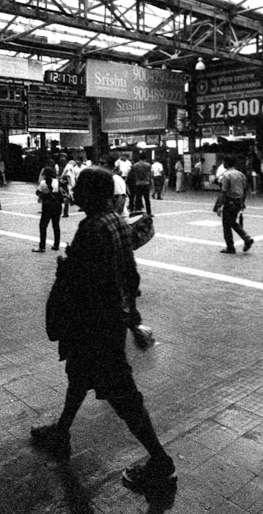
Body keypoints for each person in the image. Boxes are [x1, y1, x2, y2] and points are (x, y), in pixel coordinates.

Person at [30, 167, 176, 492]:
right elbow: (129, 273)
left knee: (123, 395)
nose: (75, 192)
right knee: (79, 375)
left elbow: (85, 283)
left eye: (80, 188)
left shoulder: (92, 228)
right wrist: (132, 315)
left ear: (92, 194)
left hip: (96, 326)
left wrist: (65, 265)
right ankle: (62, 431)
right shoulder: (116, 221)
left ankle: (160, 460)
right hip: (108, 322)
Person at [217, 155, 254, 254]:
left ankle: (231, 246)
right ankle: (246, 238)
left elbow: (224, 192)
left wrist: (220, 206)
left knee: (226, 225)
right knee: (232, 222)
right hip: (238, 201)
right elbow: (245, 189)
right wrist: (243, 203)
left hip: (230, 201)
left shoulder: (226, 175)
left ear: (226, 163)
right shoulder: (241, 174)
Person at [33, 159, 63, 253]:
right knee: (56, 225)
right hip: (57, 206)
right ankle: (56, 245)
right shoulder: (57, 182)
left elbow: (38, 193)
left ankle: (42, 246)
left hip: (47, 206)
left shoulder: (43, 183)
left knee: (43, 226)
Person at [127, 152, 152, 217]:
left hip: (138, 183)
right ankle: (149, 212)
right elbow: (149, 174)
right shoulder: (148, 165)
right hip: (146, 183)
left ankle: (137, 211)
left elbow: (133, 175)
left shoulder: (135, 165)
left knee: (138, 197)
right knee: (147, 199)